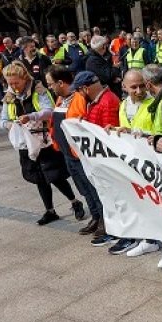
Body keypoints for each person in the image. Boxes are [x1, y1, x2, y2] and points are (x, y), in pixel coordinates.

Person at [1, 61, 84, 226]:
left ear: (25, 78)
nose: (13, 86)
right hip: (26, 143)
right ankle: (50, 210)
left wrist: (31, 116)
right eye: (10, 83)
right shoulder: (9, 96)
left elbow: (49, 111)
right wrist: (10, 124)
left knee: (55, 175)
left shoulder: (39, 91)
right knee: (38, 178)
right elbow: (3, 120)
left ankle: (75, 201)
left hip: (43, 140)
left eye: (16, 82)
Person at [47, 66, 108, 242]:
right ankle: (95, 217)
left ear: (60, 82)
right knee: (83, 188)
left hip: (80, 153)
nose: (50, 87)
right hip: (67, 152)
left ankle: (104, 219)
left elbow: (82, 122)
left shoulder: (79, 98)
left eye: (51, 83)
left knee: (92, 187)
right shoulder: (60, 99)